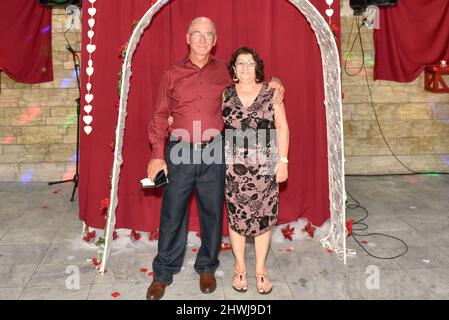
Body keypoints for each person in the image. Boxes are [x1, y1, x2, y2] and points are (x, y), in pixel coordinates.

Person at [146, 17, 284, 300]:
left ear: (214, 40)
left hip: (215, 150)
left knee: (212, 212)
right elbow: (161, 114)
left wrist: (276, 82)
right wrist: (157, 155)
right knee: (173, 213)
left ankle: (207, 266)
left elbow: (253, 82)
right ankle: (163, 273)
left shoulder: (225, 72)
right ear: (187, 37)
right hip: (180, 150)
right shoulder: (172, 72)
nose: (202, 39)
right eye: (196, 33)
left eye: (208, 34)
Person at [222, 47, 289, 294]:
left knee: (263, 218)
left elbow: (282, 127)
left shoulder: (271, 91)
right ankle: (240, 268)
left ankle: (261, 269)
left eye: (250, 63)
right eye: (240, 63)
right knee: (237, 217)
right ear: (234, 69)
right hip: (234, 169)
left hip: (265, 167)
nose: (245, 68)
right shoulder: (225, 94)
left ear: (257, 66)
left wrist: (283, 161)